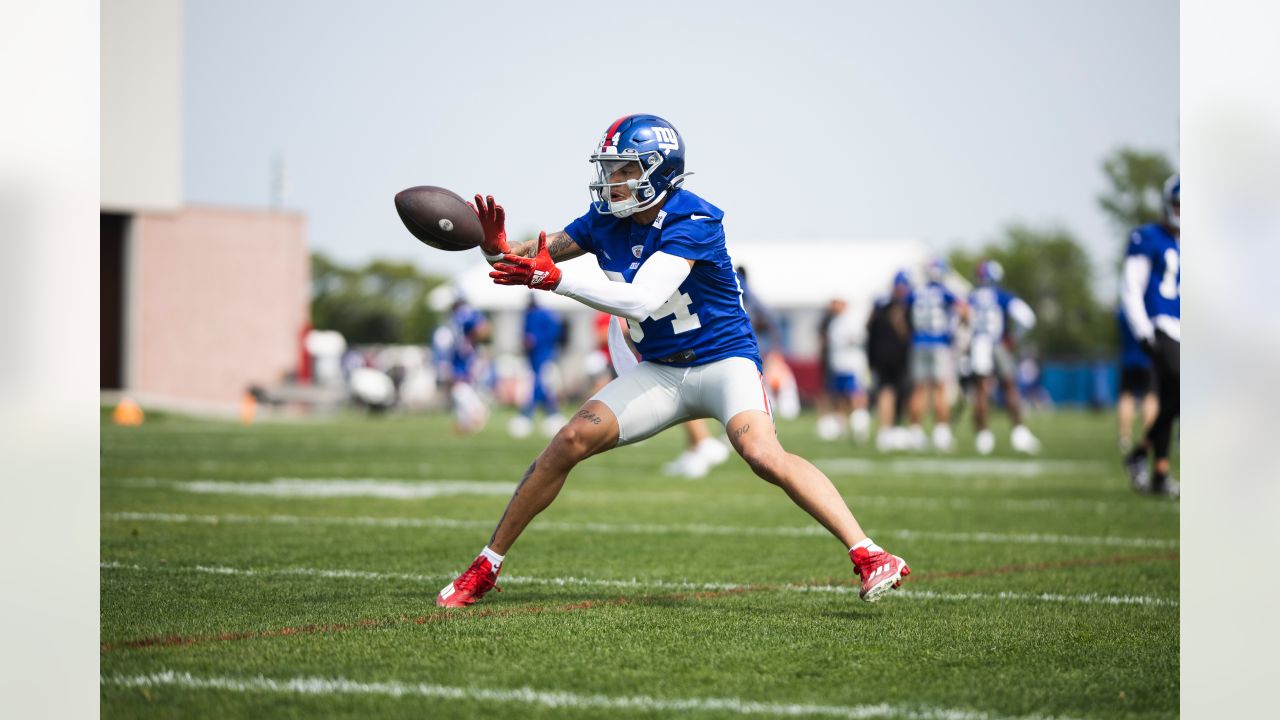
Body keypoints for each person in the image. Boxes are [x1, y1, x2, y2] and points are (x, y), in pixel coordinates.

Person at [436, 114, 909, 608]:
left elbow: (641, 298)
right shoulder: (605, 221)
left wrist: (552, 280)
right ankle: (486, 566)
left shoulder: (694, 218)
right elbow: (526, 257)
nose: (612, 180)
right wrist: (494, 248)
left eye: (624, 169)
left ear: (658, 172)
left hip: (723, 362)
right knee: (569, 440)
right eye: (611, 168)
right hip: (660, 369)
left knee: (763, 454)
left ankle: (870, 554)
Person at [1121, 175, 1180, 497]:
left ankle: (1151, 465)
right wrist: (1143, 331)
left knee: (1174, 399)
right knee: (1180, 390)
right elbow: (1131, 287)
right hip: (1161, 326)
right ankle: (1148, 462)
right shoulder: (1148, 237)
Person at [966, 259, 1040, 455]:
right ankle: (1019, 433)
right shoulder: (1001, 296)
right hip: (997, 343)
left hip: (978, 345)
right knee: (1009, 387)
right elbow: (1028, 318)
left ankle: (983, 436)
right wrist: (1013, 337)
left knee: (981, 390)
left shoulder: (971, 297)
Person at [905, 258, 965, 451]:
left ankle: (915, 432)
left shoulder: (916, 293)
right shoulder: (944, 292)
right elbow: (964, 310)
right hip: (939, 343)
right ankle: (941, 433)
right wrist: (955, 330)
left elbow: (902, 312)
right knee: (939, 389)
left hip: (918, 342)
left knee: (919, 389)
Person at [866, 271, 914, 451]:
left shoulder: (881, 304)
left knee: (893, 392)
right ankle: (888, 430)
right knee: (890, 392)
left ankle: (891, 430)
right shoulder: (900, 306)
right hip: (894, 356)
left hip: (884, 355)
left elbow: (869, 328)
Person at [507, 294, 567, 438]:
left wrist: (536, 339)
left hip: (544, 354)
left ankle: (528, 414)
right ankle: (552, 413)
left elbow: (553, 332)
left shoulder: (544, 314)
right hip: (533, 356)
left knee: (541, 383)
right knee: (541, 384)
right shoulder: (528, 314)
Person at [816, 299, 871, 443]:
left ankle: (860, 426)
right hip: (839, 365)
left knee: (855, 395)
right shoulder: (834, 322)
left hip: (852, 365)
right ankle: (842, 426)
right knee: (839, 397)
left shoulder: (852, 320)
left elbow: (858, 339)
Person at [435, 298, 490, 434]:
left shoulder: (460, 333)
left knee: (468, 414)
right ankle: (462, 429)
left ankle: (461, 429)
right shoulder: (455, 328)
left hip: (464, 378)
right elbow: (483, 328)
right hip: (459, 378)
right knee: (477, 412)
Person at [1115, 306, 1158, 454]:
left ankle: (1124, 436)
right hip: (1147, 359)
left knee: (1126, 396)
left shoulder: (1122, 311)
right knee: (1150, 397)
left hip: (1127, 359)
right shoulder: (1148, 309)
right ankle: (1148, 436)